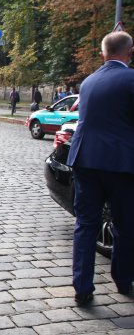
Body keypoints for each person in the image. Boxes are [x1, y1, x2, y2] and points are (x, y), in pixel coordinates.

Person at [66, 31, 134, 305]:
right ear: (129, 52)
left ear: (102, 53)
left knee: (85, 225)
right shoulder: (131, 79)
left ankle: (82, 287)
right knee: (126, 226)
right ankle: (123, 280)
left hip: (86, 161)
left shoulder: (89, 81)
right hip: (121, 164)